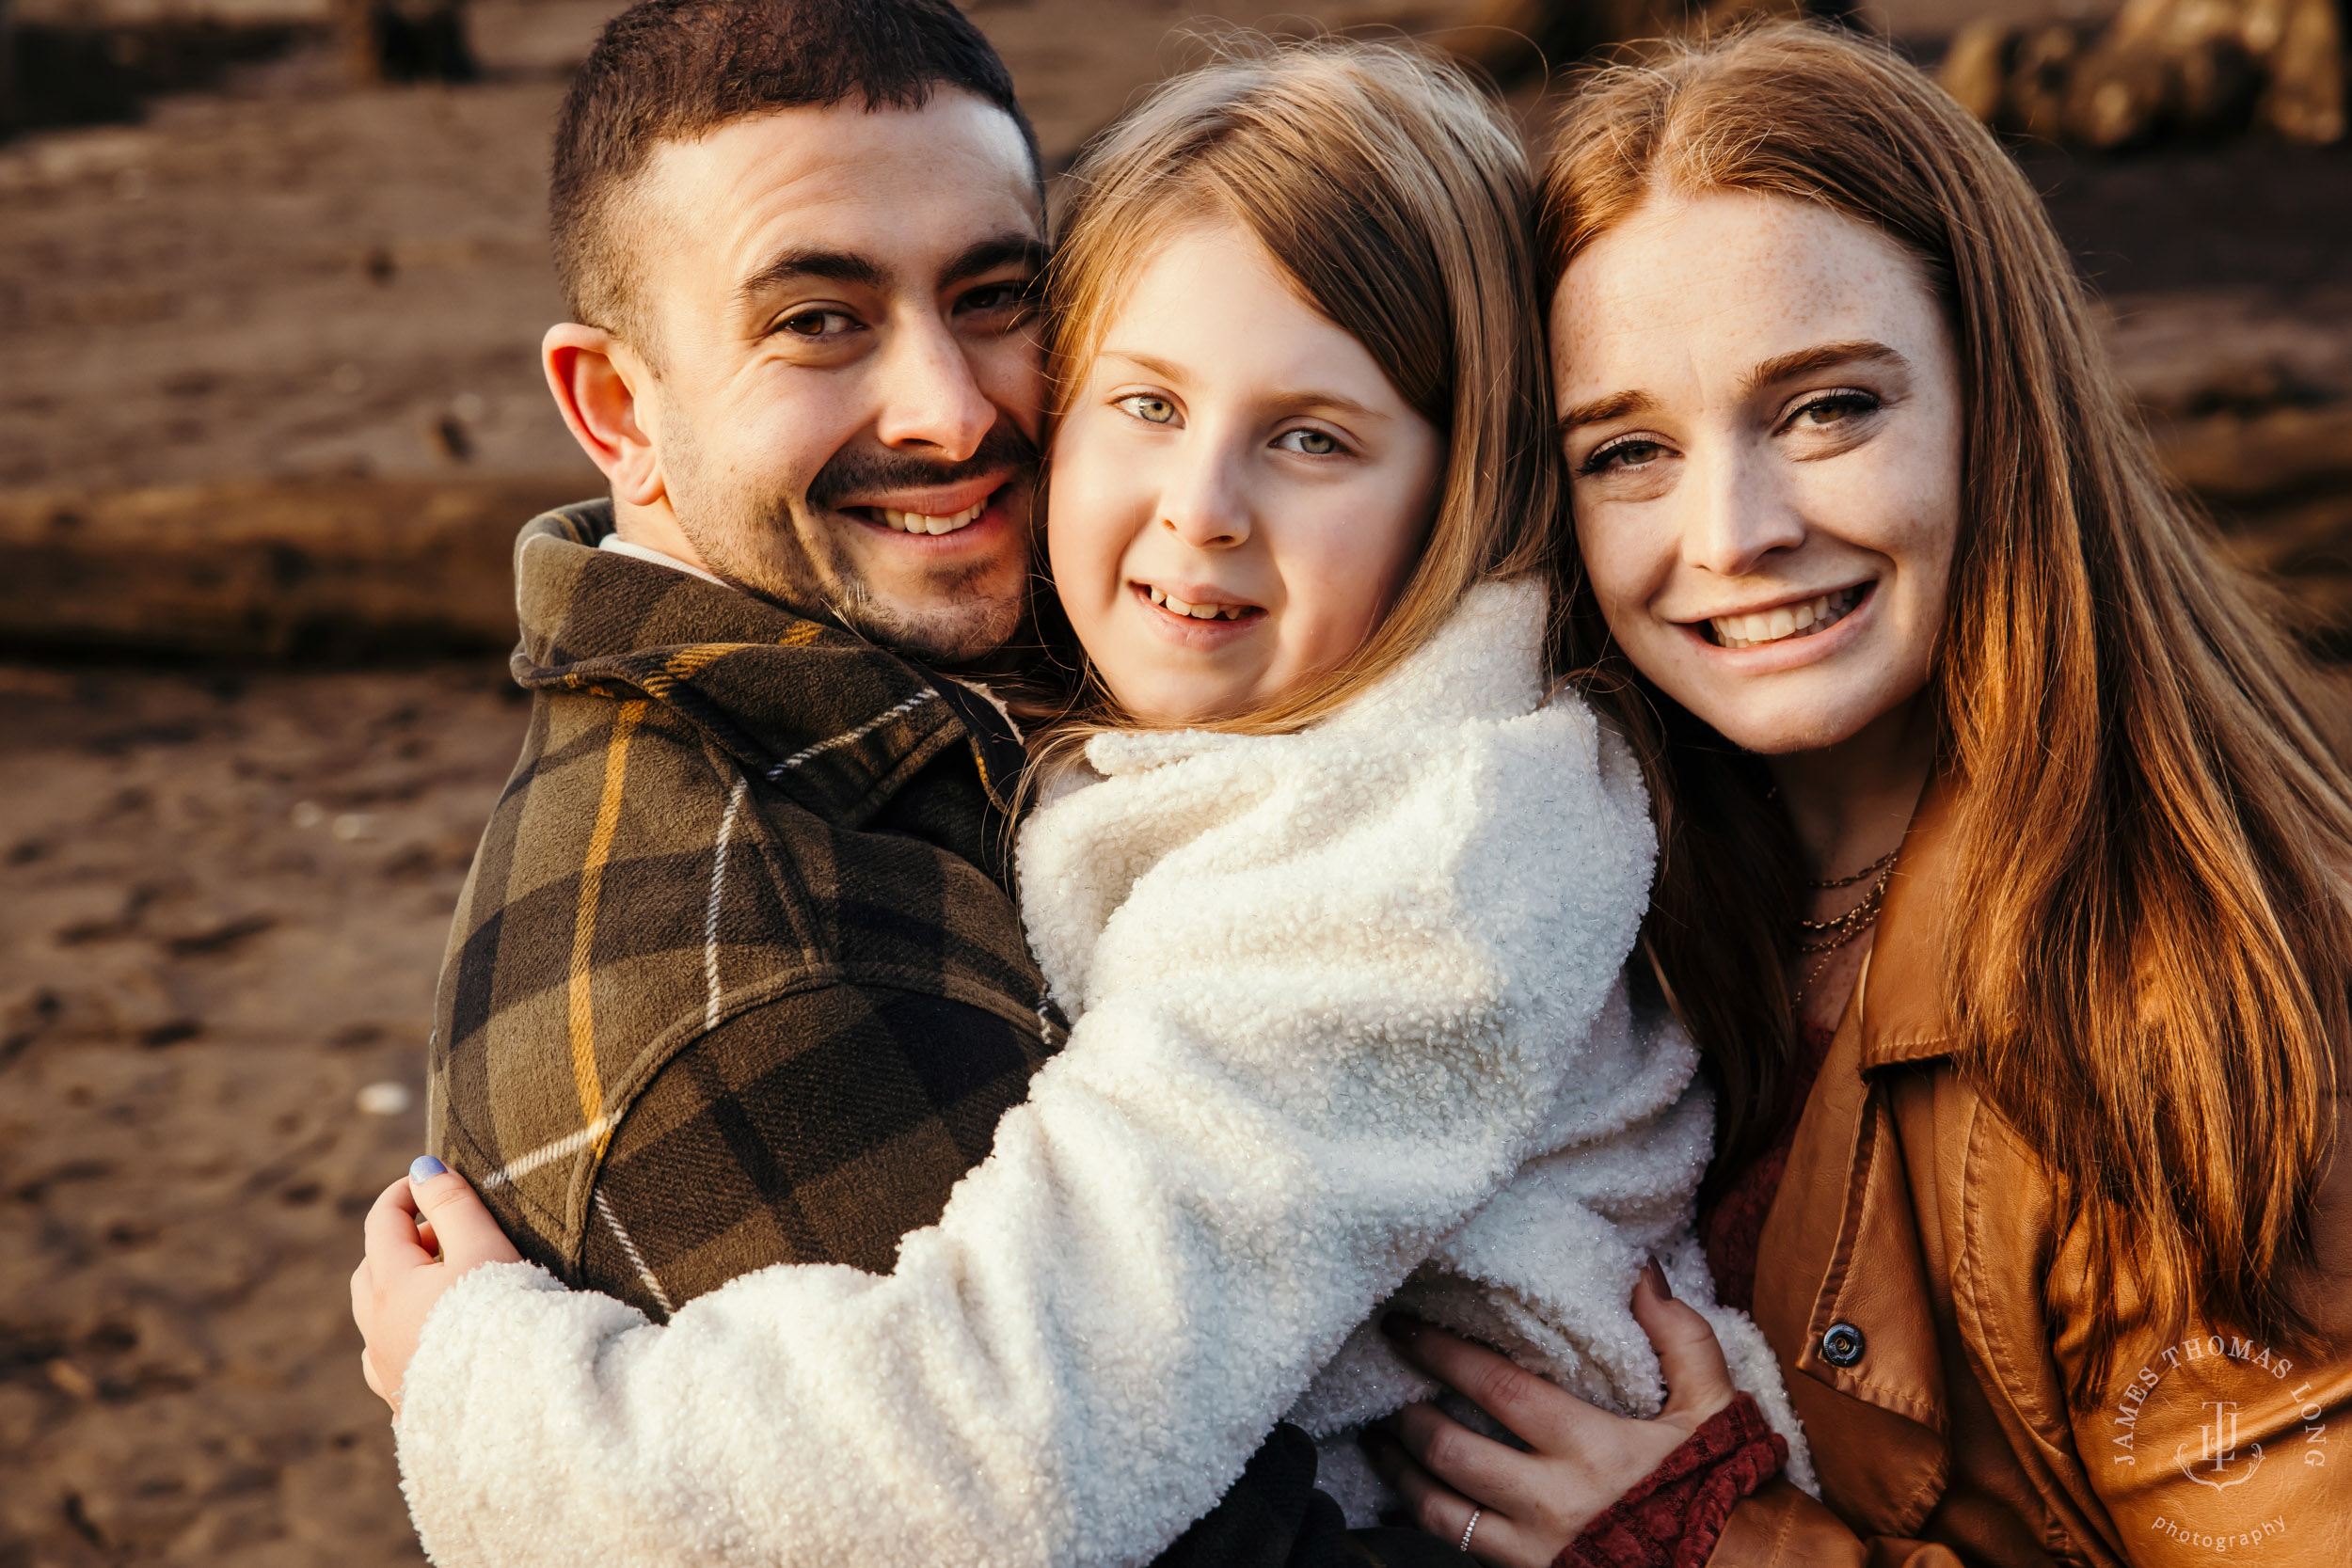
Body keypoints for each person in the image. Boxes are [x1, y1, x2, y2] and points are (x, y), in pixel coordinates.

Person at [353, 38, 1807, 1567]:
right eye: (816, 320)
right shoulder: (752, 975)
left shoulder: (1413, 850)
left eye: (993, 299)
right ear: (612, 409)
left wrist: (489, 1392)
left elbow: (1000, 1448)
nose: (950, 412)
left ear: (1467, 485)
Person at [1363, 23, 2352, 1567]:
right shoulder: (1586, 880)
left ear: (1995, 400)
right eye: (1629, 448)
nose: (1734, 531)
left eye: (1827, 408)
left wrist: (1726, 1547)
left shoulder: (2186, 1005)